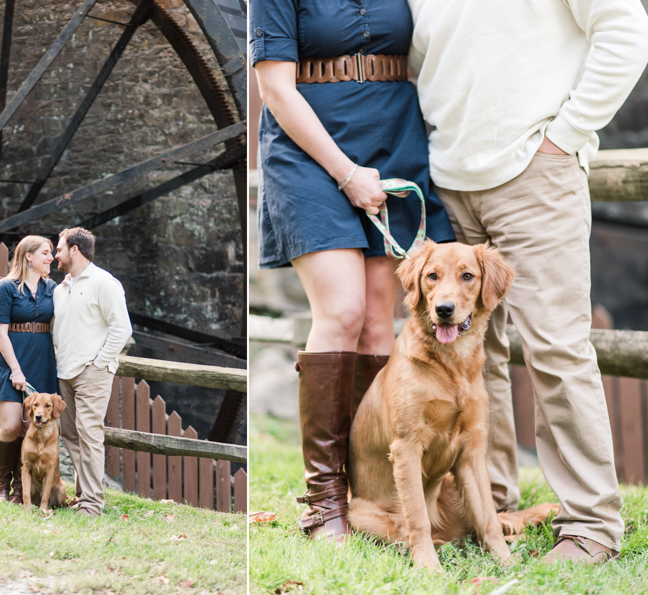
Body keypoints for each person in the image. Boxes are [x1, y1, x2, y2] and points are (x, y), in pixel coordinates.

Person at [407, 0, 648, 564]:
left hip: (533, 172)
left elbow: (626, 28)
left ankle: (591, 525)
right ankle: (485, 505)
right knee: (471, 354)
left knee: (556, 347)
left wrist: (566, 135)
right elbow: (427, 60)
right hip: (451, 178)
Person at [249, 0, 455, 541]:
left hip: (394, 137)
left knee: (374, 323)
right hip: (308, 151)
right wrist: (345, 173)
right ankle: (324, 502)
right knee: (341, 311)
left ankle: (374, 489)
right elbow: (275, 89)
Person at [52, 227, 132, 517]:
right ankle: (83, 495)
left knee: (89, 435)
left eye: (59, 249)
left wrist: (99, 363)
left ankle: (93, 505)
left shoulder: (105, 283)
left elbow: (122, 328)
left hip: (91, 372)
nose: (55, 255)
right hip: (65, 372)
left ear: (75, 250)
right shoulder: (61, 288)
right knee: (71, 435)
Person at [0, 236, 60, 504]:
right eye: (46, 253)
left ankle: (19, 491)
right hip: (10, 362)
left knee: (30, 428)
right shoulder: (6, 288)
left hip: (41, 361)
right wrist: (16, 370)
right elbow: (0, 334)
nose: (52, 258)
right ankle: (1, 486)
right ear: (28, 256)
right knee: (12, 425)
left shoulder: (53, 288)